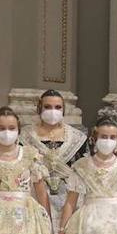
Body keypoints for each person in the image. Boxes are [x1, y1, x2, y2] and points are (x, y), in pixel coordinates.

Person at [20, 88, 87, 221]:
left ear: (63, 109)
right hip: (35, 194)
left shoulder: (77, 137)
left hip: (69, 196)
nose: (53, 111)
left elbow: (82, 170)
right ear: (40, 108)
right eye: (47, 107)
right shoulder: (25, 135)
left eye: (57, 107)